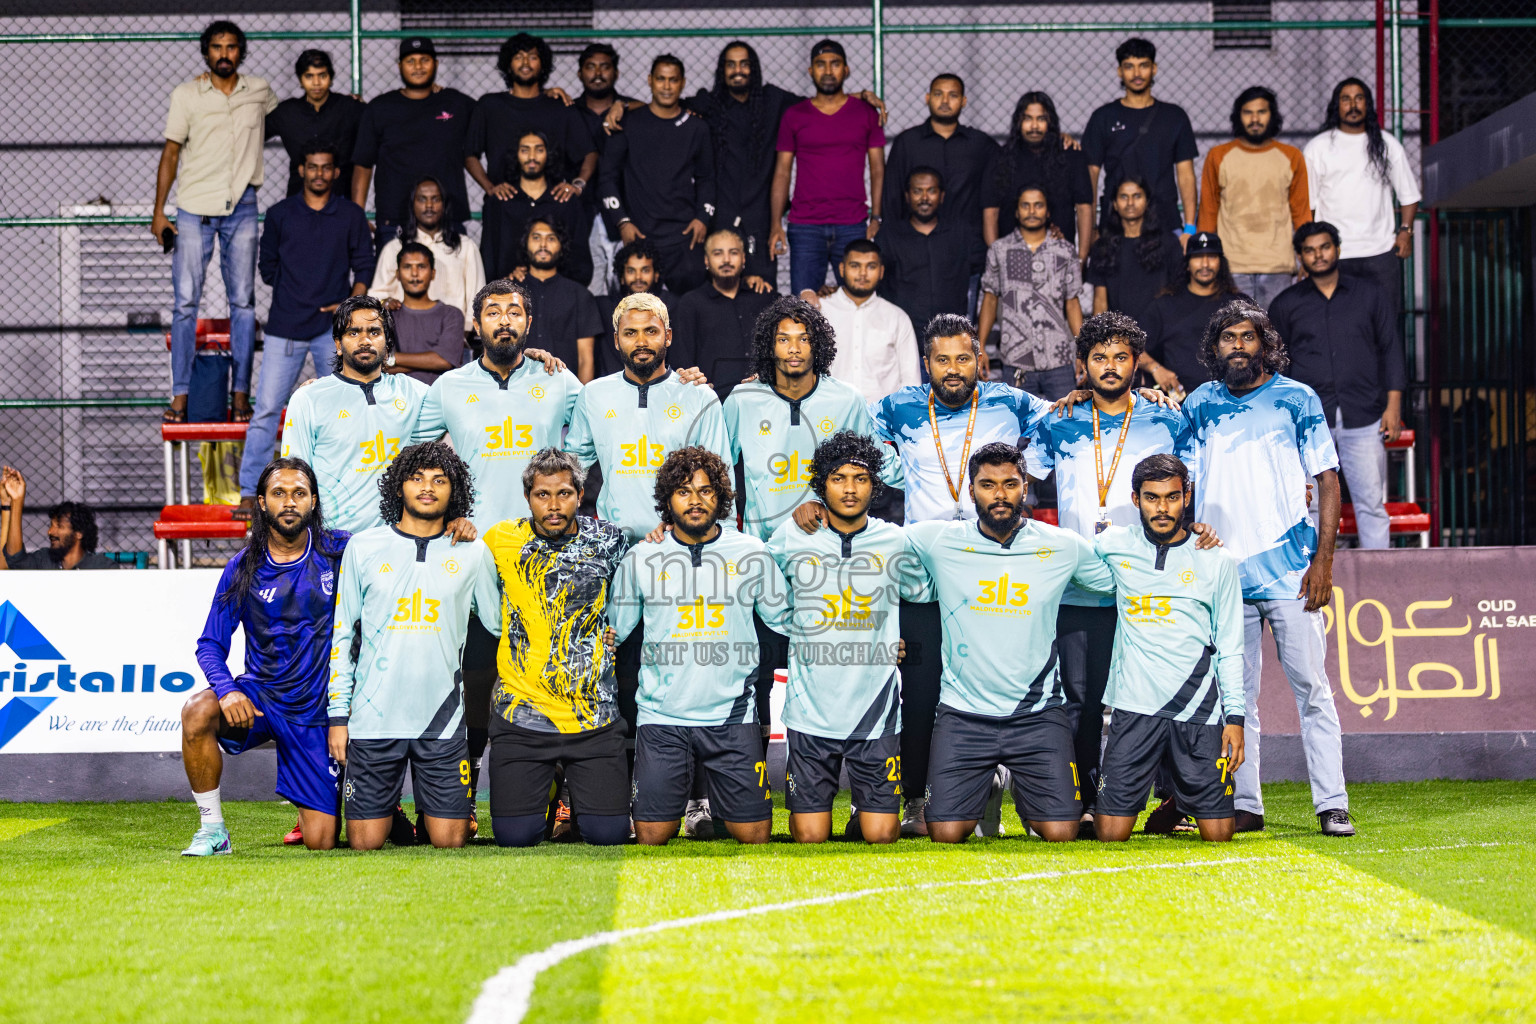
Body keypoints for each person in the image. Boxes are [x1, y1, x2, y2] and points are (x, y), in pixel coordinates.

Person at [794, 314, 1051, 836]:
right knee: (919, 687)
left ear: (979, 359)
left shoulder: (1013, 403)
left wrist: (1146, 399)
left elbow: (1079, 415)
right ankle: (912, 796)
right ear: (926, 363)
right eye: (941, 360)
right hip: (925, 569)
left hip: (993, 561)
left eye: (963, 358)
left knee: (997, 675)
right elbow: (844, 435)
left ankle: (994, 789)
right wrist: (772, 382)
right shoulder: (897, 406)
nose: (953, 370)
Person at [1182, 300, 1354, 837]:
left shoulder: (1297, 399)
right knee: (1239, 697)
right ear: (1216, 349)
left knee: (1313, 690)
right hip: (1224, 577)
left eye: (1247, 336)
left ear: (1264, 343)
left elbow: (1327, 478)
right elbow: (1179, 480)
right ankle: (1246, 803)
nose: (1237, 345)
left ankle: (1332, 803)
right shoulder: (1199, 404)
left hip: (1290, 572)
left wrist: (1323, 560)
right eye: (1227, 338)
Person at [412, 279, 581, 815]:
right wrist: (446, 513)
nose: (503, 321)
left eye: (514, 313)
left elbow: (604, 420)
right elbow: (415, 460)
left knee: (553, 672)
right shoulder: (450, 386)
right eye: (492, 313)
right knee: (477, 678)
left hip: (549, 557)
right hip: (476, 558)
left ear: (528, 324)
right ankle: (457, 800)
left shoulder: (559, 380)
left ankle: (563, 800)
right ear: (477, 324)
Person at [1025, 312, 1195, 836]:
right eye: (1099, 357)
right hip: (1078, 583)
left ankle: (1175, 799)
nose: (1110, 366)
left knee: (1157, 691)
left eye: (1122, 356)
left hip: (1144, 581)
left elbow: (1192, 485)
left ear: (1136, 363)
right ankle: (1083, 798)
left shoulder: (1164, 418)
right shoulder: (1058, 420)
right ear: (1082, 365)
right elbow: (1024, 474)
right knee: (1079, 697)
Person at [905, 442, 1116, 844]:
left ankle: (1023, 788)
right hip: (963, 713)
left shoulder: (1061, 546)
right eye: (987, 485)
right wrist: (818, 513)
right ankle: (989, 783)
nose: (999, 495)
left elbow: (1113, 579)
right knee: (946, 834)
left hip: (1037, 715)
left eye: (1010, 484)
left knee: (1060, 833)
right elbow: (874, 541)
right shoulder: (939, 540)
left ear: (1025, 488)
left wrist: (1187, 541)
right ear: (971, 491)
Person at [609, 447, 788, 845]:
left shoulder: (752, 553)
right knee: (652, 836)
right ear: (667, 500)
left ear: (721, 497)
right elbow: (612, 632)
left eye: (706, 491)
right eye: (684, 491)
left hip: (732, 716)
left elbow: (788, 619)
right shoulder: (643, 557)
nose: (695, 501)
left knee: (756, 835)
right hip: (661, 716)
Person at [327, 442, 495, 850]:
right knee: (365, 843)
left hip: (441, 720)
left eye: (439, 481)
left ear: (453, 491)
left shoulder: (473, 552)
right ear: (398, 486)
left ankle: (420, 809)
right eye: (417, 478)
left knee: (450, 841)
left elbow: (499, 623)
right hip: (374, 718)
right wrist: (337, 714)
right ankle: (392, 813)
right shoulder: (364, 547)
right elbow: (343, 634)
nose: (427, 487)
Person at [766, 432, 926, 844]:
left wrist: (894, 635)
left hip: (876, 709)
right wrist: (796, 623)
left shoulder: (894, 540)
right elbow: (761, 579)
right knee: (809, 837)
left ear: (875, 485)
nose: (850, 488)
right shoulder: (794, 533)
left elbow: (923, 591)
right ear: (821, 484)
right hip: (811, 709)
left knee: (881, 835)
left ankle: (863, 812)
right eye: (838, 478)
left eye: (861, 478)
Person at [181, 458, 346, 855]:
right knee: (197, 710)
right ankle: (212, 830)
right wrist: (226, 690)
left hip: (316, 708)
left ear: (313, 502)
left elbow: (402, 545)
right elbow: (210, 643)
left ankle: (343, 797)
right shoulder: (243, 566)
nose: (289, 502)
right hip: (261, 699)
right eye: (278, 493)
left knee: (321, 841)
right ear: (261, 502)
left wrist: (450, 530)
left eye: (299, 493)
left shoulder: (340, 550)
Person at [472, 448, 632, 848]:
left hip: (593, 718)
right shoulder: (500, 539)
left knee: (607, 835)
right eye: (543, 495)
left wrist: (616, 631)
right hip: (522, 717)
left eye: (564, 493)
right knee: (516, 837)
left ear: (580, 493)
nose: (554, 505)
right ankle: (547, 791)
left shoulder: (612, 540)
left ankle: (571, 798)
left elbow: (635, 593)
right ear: (528, 497)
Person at [1092, 454, 1246, 844]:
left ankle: (1177, 803)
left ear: (1187, 497)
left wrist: (1236, 718)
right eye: (1151, 498)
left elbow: (1230, 644)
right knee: (1110, 834)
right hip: (1134, 706)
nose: (1162, 508)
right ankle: (1173, 798)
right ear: (1134, 498)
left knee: (1219, 836)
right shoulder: (1111, 545)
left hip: (1199, 709)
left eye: (1172, 497)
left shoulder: (1217, 559)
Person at [236, 144, 373, 520]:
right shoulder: (280, 214)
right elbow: (267, 268)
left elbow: (364, 267)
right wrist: (297, 292)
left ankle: (336, 490)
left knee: (344, 410)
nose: (319, 174)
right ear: (301, 170)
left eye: (326, 167)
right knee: (266, 411)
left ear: (335, 173)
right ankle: (251, 491)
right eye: (312, 167)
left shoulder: (349, 214)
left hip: (332, 332)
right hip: (285, 327)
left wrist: (347, 308)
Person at [154, 20, 276, 425]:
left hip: (242, 206)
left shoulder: (258, 91)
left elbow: (289, 120)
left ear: (241, 51)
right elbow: (170, 154)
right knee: (185, 305)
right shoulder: (187, 94)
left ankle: (240, 396)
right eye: (217, 47)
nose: (224, 54)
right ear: (206, 52)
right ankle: (181, 397)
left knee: (243, 304)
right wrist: (159, 211)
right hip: (193, 210)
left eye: (231, 47)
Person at [1270, 222, 1405, 551]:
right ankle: (1309, 577)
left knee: (1370, 504)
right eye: (1310, 250)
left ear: (1338, 249)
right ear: (1300, 256)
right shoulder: (1286, 304)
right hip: (1307, 422)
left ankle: (1377, 579)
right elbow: (1275, 365)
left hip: (1364, 414)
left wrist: (1393, 406)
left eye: (1324, 247)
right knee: (1309, 505)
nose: (1318, 255)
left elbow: (1390, 348)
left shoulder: (1370, 295)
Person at [565, 293, 731, 546]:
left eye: (651, 331)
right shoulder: (593, 395)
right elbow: (571, 472)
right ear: (617, 341)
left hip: (682, 541)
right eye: (630, 333)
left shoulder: (699, 396)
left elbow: (721, 478)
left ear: (669, 336)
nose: (641, 341)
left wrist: (721, 541)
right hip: (614, 544)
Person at [278, 296, 431, 533]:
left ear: (387, 345)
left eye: (374, 332)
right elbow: (294, 478)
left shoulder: (415, 393)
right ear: (338, 345)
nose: (364, 340)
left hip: (396, 542)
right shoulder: (309, 399)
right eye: (353, 333)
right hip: (331, 541)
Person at [1304, 78, 1421, 340]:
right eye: (1346, 98)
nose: (1353, 104)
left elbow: (1409, 196)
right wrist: (1308, 250)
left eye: (1359, 98)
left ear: (1368, 104)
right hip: (1334, 255)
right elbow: (1308, 206)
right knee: (1336, 330)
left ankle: (1388, 383)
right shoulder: (1318, 147)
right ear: (1337, 105)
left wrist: (1405, 231)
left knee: (1385, 329)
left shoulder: (1387, 144)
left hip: (1380, 253)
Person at [770, 40, 886, 295]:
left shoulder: (866, 113)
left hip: (853, 223)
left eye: (835, 64)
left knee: (860, 304)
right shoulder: (795, 115)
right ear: (811, 71)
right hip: (805, 226)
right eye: (820, 65)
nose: (828, 70)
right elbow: (782, 172)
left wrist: (876, 216)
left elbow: (878, 168)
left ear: (846, 70)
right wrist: (776, 223)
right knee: (804, 306)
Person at [597, 54, 715, 296]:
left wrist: (703, 216)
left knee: (688, 310)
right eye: (661, 79)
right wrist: (622, 221)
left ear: (682, 83)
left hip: (684, 239)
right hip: (639, 237)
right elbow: (607, 178)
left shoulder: (697, 128)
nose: (667, 86)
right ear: (650, 81)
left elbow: (707, 178)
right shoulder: (626, 123)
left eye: (673, 80)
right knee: (638, 314)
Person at [351, 37, 475, 252]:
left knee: (453, 285)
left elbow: (496, 116)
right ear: (399, 66)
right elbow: (363, 165)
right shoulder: (380, 108)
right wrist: (357, 213)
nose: (418, 67)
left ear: (435, 64)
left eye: (424, 60)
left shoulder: (456, 103)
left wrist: (547, 94)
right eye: (410, 61)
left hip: (447, 220)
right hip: (394, 221)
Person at [1197, 87, 1310, 308]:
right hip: (1232, 266)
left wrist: (1305, 254)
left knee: (1276, 336)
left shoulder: (1291, 156)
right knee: (1233, 336)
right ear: (1238, 116)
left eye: (1262, 112)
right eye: (1248, 112)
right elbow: (1208, 212)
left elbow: (1301, 212)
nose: (1255, 119)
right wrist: (1205, 257)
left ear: (1272, 115)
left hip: (1277, 266)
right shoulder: (1218, 156)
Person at [465, 33, 596, 218]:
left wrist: (578, 185)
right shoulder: (489, 106)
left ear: (542, 65)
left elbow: (589, 153)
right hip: (504, 209)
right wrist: (491, 188)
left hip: (552, 209)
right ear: (508, 65)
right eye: (518, 57)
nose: (525, 62)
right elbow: (470, 154)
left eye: (532, 57)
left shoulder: (560, 107)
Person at [1082, 38, 1199, 240]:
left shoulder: (1174, 116)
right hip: (1115, 226)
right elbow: (1090, 176)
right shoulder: (1103, 117)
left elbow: (1186, 176)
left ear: (1154, 69)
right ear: (1120, 71)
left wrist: (1189, 229)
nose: (1137, 74)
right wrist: (1091, 228)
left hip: (1166, 223)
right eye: (1129, 67)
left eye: (1143, 66)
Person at [977, 186, 1083, 399]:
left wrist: (1083, 350)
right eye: (1025, 205)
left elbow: (1072, 302)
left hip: (1059, 358)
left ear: (1048, 211)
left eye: (1038, 205)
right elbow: (989, 299)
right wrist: (979, 346)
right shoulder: (1000, 250)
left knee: (1064, 426)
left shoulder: (1065, 250)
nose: (1032, 211)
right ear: (1017, 211)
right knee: (1017, 430)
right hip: (1015, 357)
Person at [881, 74, 999, 244]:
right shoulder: (907, 142)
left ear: (963, 101)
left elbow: (993, 199)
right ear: (927, 98)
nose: (945, 101)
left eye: (953, 95)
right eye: (938, 94)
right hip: (916, 247)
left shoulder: (981, 145)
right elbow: (892, 198)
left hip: (968, 249)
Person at [876, 167, 985, 341]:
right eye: (917, 191)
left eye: (931, 191)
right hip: (902, 341)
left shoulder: (962, 233)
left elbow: (980, 279)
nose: (924, 198)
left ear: (942, 196)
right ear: (907, 196)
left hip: (950, 343)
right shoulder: (889, 235)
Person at [369, 177, 487, 333]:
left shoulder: (465, 247)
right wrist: (386, 302)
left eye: (435, 199)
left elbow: (477, 297)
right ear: (413, 204)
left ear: (444, 204)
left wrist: (463, 334)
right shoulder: (394, 248)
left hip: (454, 336)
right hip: (405, 336)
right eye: (422, 199)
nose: (429, 206)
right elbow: (376, 296)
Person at [669, 228, 777, 398]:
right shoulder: (690, 303)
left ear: (743, 259)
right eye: (718, 253)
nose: (726, 260)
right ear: (707, 260)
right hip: (712, 403)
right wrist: (698, 389)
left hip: (764, 400)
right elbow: (681, 361)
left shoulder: (764, 298)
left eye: (733, 253)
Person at [983, 91, 1092, 258]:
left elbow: (1084, 209)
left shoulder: (1071, 157)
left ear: (1050, 122)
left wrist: (1081, 259)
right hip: (1012, 262)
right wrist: (996, 260)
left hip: (1059, 262)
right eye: (1028, 119)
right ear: (1018, 122)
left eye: (1041, 119)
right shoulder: (1000, 158)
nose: (1034, 126)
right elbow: (991, 213)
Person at [1140, 232, 1247, 399]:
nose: (1205, 264)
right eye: (1198, 257)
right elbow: (1133, 348)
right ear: (1187, 264)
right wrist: (1156, 368)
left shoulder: (1240, 305)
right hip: (1179, 403)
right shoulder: (1164, 305)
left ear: (1221, 263)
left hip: (1232, 400)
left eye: (1211, 257)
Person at [481, 130, 590, 285]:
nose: (532, 157)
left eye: (539, 150)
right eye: (525, 150)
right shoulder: (499, 202)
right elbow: (488, 257)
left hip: (559, 294)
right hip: (509, 294)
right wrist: (503, 283)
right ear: (516, 155)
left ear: (549, 154)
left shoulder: (565, 201)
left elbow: (581, 260)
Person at [818, 240, 921, 403]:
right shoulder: (820, 311)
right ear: (842, 269)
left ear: (881, 271)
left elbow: (911, 383)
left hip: (882, 422)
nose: (863, 274)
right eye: (855, 266)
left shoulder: (897, 318)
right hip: (829, 418)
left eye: (871, 266)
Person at [573, 43, 640, 292]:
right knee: (591, 287)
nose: (598, 73)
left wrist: (623, 105)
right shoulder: (569, 111)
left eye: (605, 67)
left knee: (628, 287)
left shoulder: (630, 110)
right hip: (584, 209)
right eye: (590, 67)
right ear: (580, 73)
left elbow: (656, 109)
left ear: (616, 73)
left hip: (626, 209)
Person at [266, 49, 363, 199]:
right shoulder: (286, 112)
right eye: (309, 76)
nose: (316, 83)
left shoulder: (350, 108)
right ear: (300, 80)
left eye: (322, 76)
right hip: (298, 200)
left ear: (330, 78)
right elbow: (250, 135)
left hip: (341, 199)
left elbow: (380, 129)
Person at [1086, 176, 1183, 325]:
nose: (1130, 203)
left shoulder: (1168, 243)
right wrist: (1100, 341)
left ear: (1147, 202)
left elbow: (1178, 292)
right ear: (1115, 204)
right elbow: (1100, 302)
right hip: (1119, 336)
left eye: (1137, 196)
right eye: (1124, 197)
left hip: (1161, 334)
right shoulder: (1102, 247)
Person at [520, 217, 603, 381]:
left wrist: (580, 402)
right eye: (536, 237)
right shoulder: (509, 293)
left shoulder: (580, 295)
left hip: (563, 391)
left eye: (551, 238)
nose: (543, 245)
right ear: (526, 243)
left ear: (561, 246)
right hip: (516, 390)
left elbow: (585, 360)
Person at [0, 468, 117, 570]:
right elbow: (15, 558)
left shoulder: (101, 566)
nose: (50, 531)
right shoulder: (44, 560)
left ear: (79, 533)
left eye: (59, 526)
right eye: (51, 525)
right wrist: (17, 501)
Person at [386, 242, 467, 385]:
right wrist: (430, 362)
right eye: (407, 267)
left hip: (440, 398)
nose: (414, 274)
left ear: (433, 273)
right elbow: (379, 367)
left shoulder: (451, 314)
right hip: (398, 399)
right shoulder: (388, 315)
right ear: (398, 274)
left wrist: (391, 359)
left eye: (421, 266)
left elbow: (444, 361)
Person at [597, 239, 676, 378]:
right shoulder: (602, 307)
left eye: (645, 270)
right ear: (621, 277)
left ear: (656, 274)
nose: (638, 277)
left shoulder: (673, 305)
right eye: (631, 271)